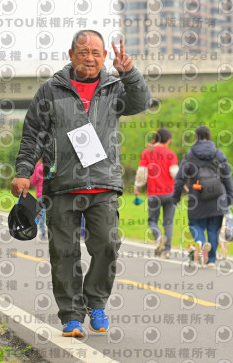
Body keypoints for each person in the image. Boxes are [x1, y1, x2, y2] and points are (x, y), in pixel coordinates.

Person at [11, 30, 151, 338]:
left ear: (104, 57)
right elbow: (32, 135)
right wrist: (23, 171)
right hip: (61, 184)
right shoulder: (50, 90)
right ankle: (71, 316)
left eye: (96, 53)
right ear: (71, 54)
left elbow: (141, 102)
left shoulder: (114, 88)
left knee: (108, 245)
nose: (89, 58)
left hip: (103, 183)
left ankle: (95, 302)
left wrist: (129, 72)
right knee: (63, 253)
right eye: (83, 52)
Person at [172, 125, 233, 267]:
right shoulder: (218, 154)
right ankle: (211, 260)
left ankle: (200, 241)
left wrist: (176, 197)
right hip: (218, 198)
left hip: (196, 197)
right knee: (214, 228)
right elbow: (227, 176)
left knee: (195, 224)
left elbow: (180, 178)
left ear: (196, 137)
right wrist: (231, 196)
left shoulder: (190, 156)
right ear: (209, 136)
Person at [134, 128, 178, 258]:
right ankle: (167, 251)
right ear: (168, 140)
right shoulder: (171, 154)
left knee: (152, 221)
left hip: (154, 194)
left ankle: (159, 238)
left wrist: (137, 187)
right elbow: (175, 173)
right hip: (170, 193)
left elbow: (142, 173)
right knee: (168, 222)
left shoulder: (147, 152)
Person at [31, 159, 47, 240]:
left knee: (41, 213)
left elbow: (33, 181)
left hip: (40, 193)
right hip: (51, 194)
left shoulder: (38, 167)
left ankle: (43, 233)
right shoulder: (52, 167)